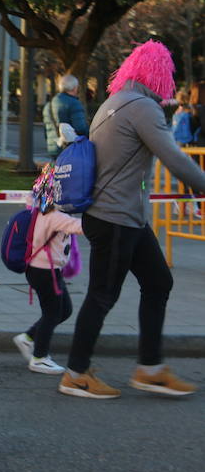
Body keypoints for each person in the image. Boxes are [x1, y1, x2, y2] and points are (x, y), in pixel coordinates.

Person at [59, 40, 205, 400]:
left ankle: (150, 369)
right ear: (159, 74)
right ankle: (76, 374)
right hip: (116, 219)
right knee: (101, 296)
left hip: (125, 218)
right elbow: (175, 158)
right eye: (167, 74)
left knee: (158, 283)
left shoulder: (113, 102)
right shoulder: (142, 107)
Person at [12, 163, 83, 375]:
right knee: (53, 313)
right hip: (44, 272)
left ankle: (28, 338)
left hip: (46, 271)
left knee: (64, 310)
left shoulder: (39, 209)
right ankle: (39, 358)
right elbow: (79, 227)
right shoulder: (53, 216)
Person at [42, 74, 89, 160]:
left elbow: (45, 130)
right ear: (75, 88)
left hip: (53, 150)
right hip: (70, 149)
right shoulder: (74, 104)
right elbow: (80, 128)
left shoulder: (48, 105)